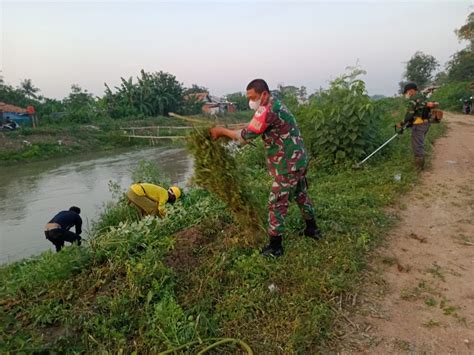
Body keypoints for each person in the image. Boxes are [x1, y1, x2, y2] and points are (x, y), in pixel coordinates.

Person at [210, 78, 321, 257]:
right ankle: (312, 229)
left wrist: (221, 131)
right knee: (301, 194)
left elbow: (246, 135)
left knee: (276, 202)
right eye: (248, 97)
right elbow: (254, 127)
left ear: (264, 94)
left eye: (252, 97)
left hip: (288, 165)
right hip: (298, 160)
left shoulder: (268, 109)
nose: (250, 101)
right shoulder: (273, 104)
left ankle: (275, 247)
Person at [397, 83, 438, 170]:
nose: (406, 94)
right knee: (420, 143)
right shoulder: (423, 97)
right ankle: (419, 164)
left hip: (419, 125)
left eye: (407, 92)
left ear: (411, 90)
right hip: (426, 124)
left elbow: (409, 115)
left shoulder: (413, 100)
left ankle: (418, 168)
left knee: (417, 145)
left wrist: (402, 123)